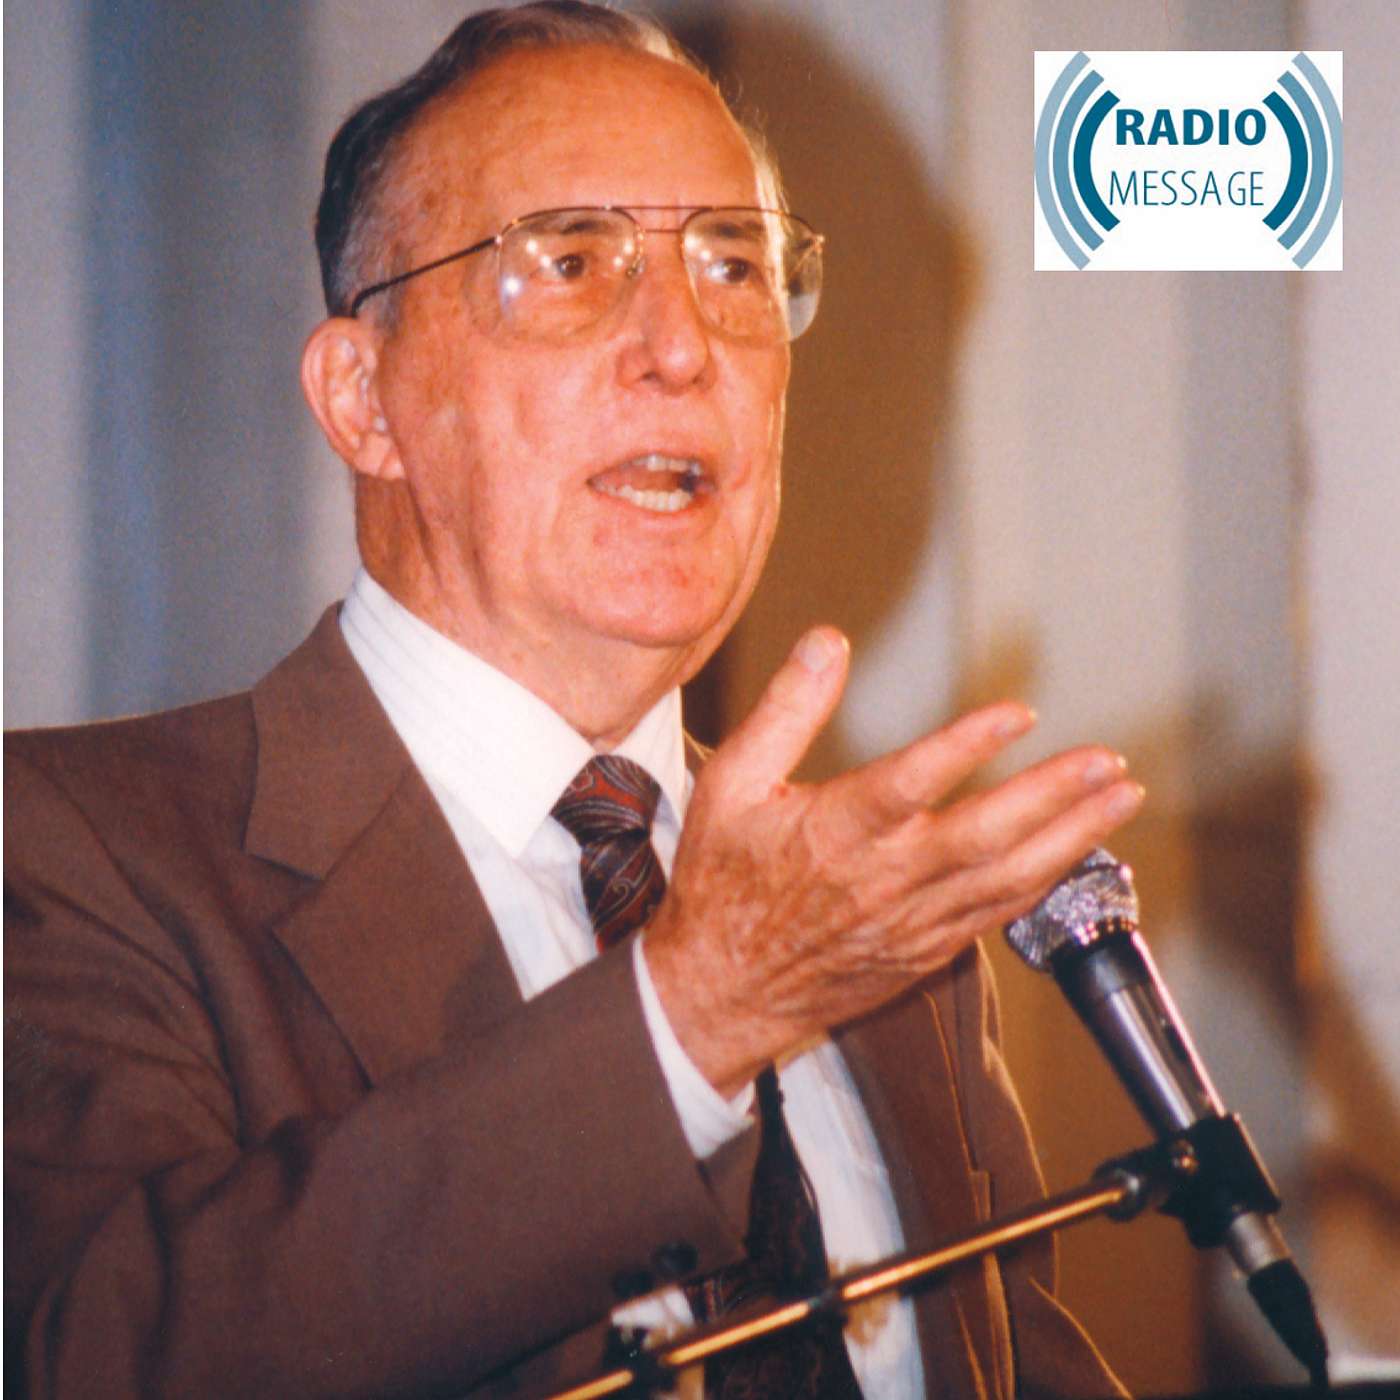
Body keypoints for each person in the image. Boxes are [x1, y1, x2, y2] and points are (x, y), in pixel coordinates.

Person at [5, 4, 1144, 1397]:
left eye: (735, 266)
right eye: (572, 260)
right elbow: (102, 1356)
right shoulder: (64, 848)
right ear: (363, 399)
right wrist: (690, 1020)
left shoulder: (866, 926)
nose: (683, 346)